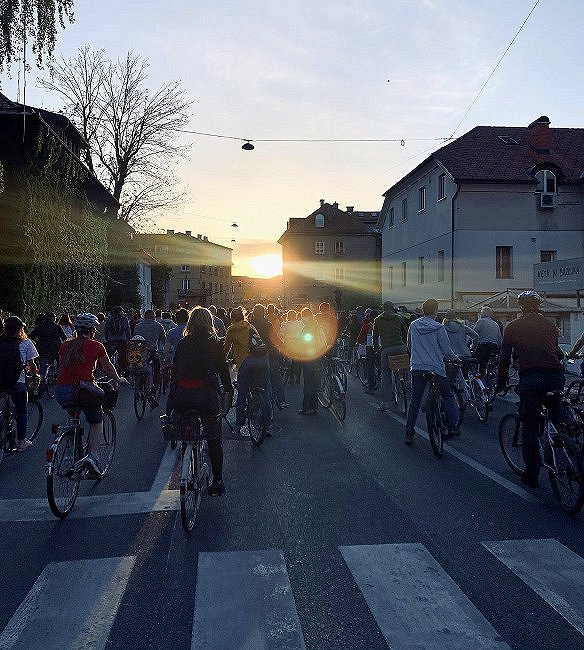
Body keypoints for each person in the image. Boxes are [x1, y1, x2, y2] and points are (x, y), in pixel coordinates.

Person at [496, 291, 564, 488]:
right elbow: (557, 352)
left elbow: (504, 359)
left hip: (531, 378)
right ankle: (563, 453)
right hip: (556, 376)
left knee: (530, 427)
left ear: (520, 307)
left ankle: (532, 474)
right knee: (556, 419)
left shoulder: (513, 327)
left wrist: (501, 383)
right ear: (538, 305)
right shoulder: (550, 325)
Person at [166, 307, 232, 497]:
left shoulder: (183, 342)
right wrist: (228, 389)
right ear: (209, 322)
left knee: (183, 426)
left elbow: (175, 371)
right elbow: (223, 371)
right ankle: (218, 482)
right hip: (205, 397)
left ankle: (185, 449)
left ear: (191, 323)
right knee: (214, 439)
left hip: (183, 397)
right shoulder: (215, 343)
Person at [55, 313, 127, 476]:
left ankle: (70, 450)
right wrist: (118, 379)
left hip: (61, 390)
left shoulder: (65, 346)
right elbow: (108, 367)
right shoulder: (96, 346)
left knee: (73, 413)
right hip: (83, 389)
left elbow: (61, 368)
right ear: (92, 330)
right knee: (96, 419)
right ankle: (91, 456)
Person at [405, 299, 460, 445]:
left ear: (423, 310)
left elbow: (409, 346)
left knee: (415, 400)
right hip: (436, 367)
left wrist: (415, 357)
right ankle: (452, 426)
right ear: (435, 311)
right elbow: (447, 350)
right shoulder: (438, 327)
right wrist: (456, 359)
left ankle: (409, 433)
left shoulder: (414, 325)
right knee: (447, 395)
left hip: (417, 367)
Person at [223, 307, 271, 435]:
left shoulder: (231, 330)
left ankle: (238, 425)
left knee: (242, 394)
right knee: (264, 393)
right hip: (262, 360)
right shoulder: (250, 327)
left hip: (246, 362)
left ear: (232, 318)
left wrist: (223, 362)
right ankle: (267, 425)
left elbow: (225, 349)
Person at [0, 316, 40, 450]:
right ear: (20, 329)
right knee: (21, 410)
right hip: (17, 382)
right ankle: (21, 441)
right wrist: (35, 375)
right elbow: (32, 365)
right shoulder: (26, 343)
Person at [249, 303, 288, 408]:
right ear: (264, 313)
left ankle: (255, 401)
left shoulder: (249, 325)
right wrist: (283, 346)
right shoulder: (268, 324)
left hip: (254, 355)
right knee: (276, 376)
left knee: (256, 379)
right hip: (270, 353)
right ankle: (281, 400)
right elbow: (275, 339)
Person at [373, 301, 408, 411]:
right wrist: (405, 344)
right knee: (403, 368)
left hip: (387, 349)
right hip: (400, 347)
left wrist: (376, 348)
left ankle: (385, 402)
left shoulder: (377, 320)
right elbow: (405, 332)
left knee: (385, 375)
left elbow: (375, 336)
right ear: (393, 308)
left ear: (383, 308)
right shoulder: (399, 318)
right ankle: (404, 382)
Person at [298, 308, 327, 415]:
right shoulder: (317, 326)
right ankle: (314, 407)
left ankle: (307, 408)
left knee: (308, 384)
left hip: (308, 358)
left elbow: (304, 344)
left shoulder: (307, 328)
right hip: (317, 358)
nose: (303, 319)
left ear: (307, 316)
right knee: (315, 384)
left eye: (303, 316)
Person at [29, 312, 67, 393]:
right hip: (56, 349)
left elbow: (30, 335)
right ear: (53, 318)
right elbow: (64, 338)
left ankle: (41, 386)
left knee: (42, 369)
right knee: (61, 361)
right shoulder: (57, 327)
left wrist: (36, 341)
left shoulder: (40, 327)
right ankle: (59, 376)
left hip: (42, 349)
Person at [133, 309, 166, 398]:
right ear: (154, 317)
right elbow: (164, 340)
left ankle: (139, 387)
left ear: (144, 317)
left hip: (139, 352)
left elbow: (135, 338)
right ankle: (154, 389)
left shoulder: (137, 326)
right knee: (157, 367)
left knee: (139, 366)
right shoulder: (158, 326)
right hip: (151, 351)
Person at [473, 306, 502, 373]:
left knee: (476, 360)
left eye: (481, 313)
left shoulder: (480, 321)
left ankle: (479, 376)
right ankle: (493, 374)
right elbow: (500, 339)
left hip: (483, 345)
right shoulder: (495, 324)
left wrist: (473, 346)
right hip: (494, 346)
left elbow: (474, 335)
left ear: (483, 313)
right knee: (491, 361)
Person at [104, 306, 131, 375]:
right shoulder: (124, 319)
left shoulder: (109, 318)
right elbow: (127, 330)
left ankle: (106, 370)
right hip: (122, 340)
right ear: (120, 311)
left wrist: (107, 339)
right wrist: (129, 340)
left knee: (108, 355)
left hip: (111, 340)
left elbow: (106, 330)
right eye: (122, 311)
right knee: (123, 355)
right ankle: (125, 370)